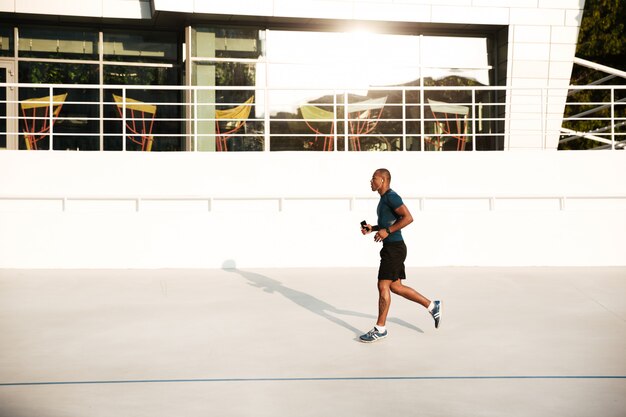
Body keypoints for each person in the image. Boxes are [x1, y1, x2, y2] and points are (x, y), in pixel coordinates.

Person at [359, 168, 441, 343]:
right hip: (393, 247)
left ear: (383, 180)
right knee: (395, 287)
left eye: (373, 178)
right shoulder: (384, 199)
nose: (371, 181)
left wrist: (387, 231)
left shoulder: (391, 196)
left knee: (383, 285)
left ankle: (380, 328)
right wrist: (372, 229)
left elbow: (408, 217)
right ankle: (432, 305)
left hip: (394, 249)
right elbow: (388, 222)